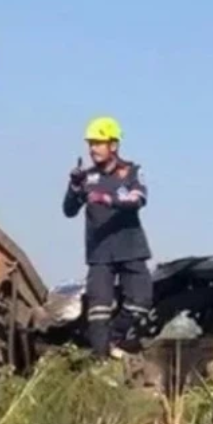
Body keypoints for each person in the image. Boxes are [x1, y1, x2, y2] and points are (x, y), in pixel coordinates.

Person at [63, 116, 153, 358]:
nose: (92, 149)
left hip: (131, 248)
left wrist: (107, 199)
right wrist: (74, 187)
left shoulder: (132, 171)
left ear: (113, 145)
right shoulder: (87, 177)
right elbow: (69, 211)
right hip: (99, 254)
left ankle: (114, 338)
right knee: (98, 312)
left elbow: (138, 200)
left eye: (98, 143)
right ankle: (100, 362)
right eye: (90, 143)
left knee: (141, 302)